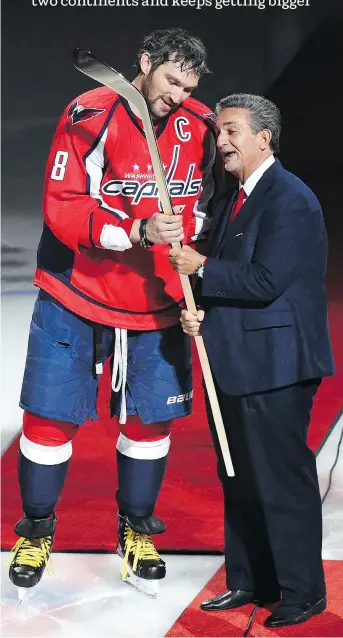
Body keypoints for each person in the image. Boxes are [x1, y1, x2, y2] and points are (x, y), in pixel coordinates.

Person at [8, 28, 219, 598]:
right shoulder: (88, 114)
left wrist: (196, 237)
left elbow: (216, 203)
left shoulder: (201, 125)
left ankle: (136, 527)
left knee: (150, 423)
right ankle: (38, 527)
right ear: (145, 63)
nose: (177, 95)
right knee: (50, 419)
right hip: (76, 292)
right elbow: (63, 208)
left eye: (188, 86)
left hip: (156, 297)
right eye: (171, 80)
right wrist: (136, 229)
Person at [169, 93, 335, 627]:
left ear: (264, 137)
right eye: (218, 133)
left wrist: (199, 266)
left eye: (232, 131)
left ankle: (302, 591)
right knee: (238, 476)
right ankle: (249, 580)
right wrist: (199, 313)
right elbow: (224, 277)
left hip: (278, 366)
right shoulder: (229, 199)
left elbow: (266, 281)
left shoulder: (290, 199)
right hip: (235, 359)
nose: (221, 143)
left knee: (280, 479)